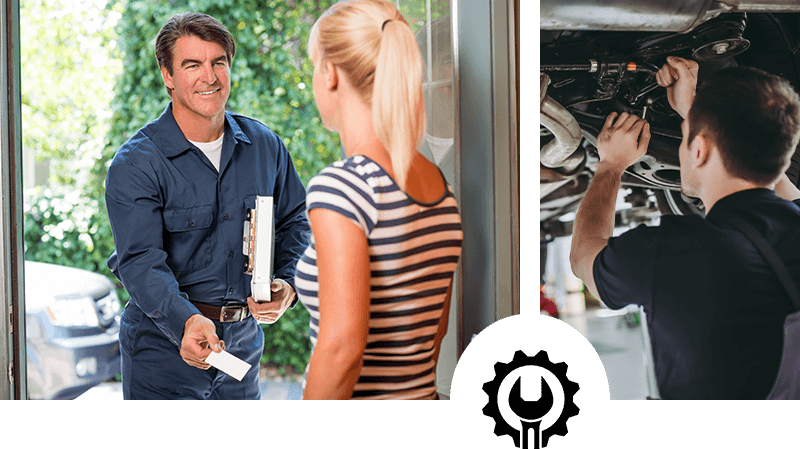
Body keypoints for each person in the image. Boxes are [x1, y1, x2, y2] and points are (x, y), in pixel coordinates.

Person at [105, 12, 311, 400]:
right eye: (192, 64)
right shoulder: (137, 162)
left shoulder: (265, 146)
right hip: (164, 348)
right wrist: (186, 322)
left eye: (219, 62)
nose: (210, 77)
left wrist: (290, 282)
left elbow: (295, 222)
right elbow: (139, 260)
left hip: (243, 345)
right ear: (167, 75)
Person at [569, 55, 800, 399]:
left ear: (699, 150)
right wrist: (695, 112)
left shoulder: (675, 252)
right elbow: (774, 173)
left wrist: (611, 165)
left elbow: (584, 253)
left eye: (683, 139)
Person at [295, 0, 464, 400]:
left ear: (329, 73)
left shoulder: (343, 187)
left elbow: (341, 349)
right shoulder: (435, 183)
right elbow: (434, 332)